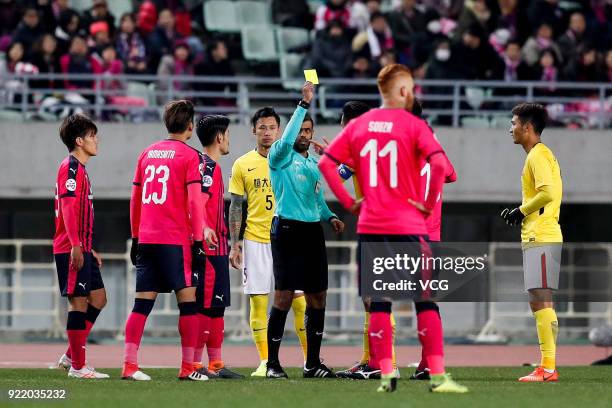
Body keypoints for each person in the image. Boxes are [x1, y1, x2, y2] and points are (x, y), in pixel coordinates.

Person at [318, 64, 467, 393]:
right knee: (424, 299)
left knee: (379, 301)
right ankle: (437, 375)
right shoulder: (413, 127)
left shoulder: (362, 125)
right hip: (407, 222)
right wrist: (427, 203)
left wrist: (348, 201)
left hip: (371, 223)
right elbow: (442, 168)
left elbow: (326, 165)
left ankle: (386, 373)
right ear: (403, 91)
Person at [123, 100, 207, 382]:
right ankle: (187, 368)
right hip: (175, 239)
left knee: (141, 304)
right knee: (188, 301)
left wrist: (135, 236)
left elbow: (135, 200)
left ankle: (129, 365)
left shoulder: (146, 153)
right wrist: (197, 240)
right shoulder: (189, 156)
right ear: (190, 126)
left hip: (146, 237)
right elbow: (195, 202)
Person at [265, 82, 345, 379]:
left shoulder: (313, 163)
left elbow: (318, 198)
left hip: (312, 232)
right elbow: (285, 142)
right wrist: (304, 104)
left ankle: (312, 364)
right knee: (284, 297)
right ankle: (272, 364)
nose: (304, 135)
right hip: (286, 230)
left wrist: (331, 216)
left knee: (318, 297)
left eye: (308, 131)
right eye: (301, 130)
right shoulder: (279, 156)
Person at [228, 107, 309, 377]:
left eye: (272, 127)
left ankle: (310, 360)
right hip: (255, 241)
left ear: (279, 130)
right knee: (259, 303)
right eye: (261, 127)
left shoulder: (291, 160)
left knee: (300, 301)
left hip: (289, 240)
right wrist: (235, 243)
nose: (266, 132)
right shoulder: (242, 164)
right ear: (254, 130)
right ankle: (266, 362)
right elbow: (236, 206)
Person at [502, 103, 563, 382]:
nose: (510, 129)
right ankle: (546, 366)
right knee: (537, 301)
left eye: (513, 123)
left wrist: (520, 210)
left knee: (542, 299)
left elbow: (548, 192)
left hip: (542, 234)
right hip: (539, 234)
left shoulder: (538, 155)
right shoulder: (540, 155)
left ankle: (548, 368)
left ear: (527, 127)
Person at [53, 114, 108, 379]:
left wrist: (88, 247)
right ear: (79, 140)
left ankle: (70, 355)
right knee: (78, 303)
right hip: (70, 246)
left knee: (98, 298)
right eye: (92, 136)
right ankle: (78, 367)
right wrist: (76, 244)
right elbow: (67, 206)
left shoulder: (80, 169)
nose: (96, 140)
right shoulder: (71, 167)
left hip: (82, 246)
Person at [192, 115, 244, 379]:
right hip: (210, 248)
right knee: (206, 306)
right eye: (228, 134)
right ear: (220, 137)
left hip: (218, 247)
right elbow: (199, 201)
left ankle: (215, 363)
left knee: (216, 305)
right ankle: (195, 364)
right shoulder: (208, 168)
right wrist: (203, 230)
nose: (229, 140)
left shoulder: (204, 166)